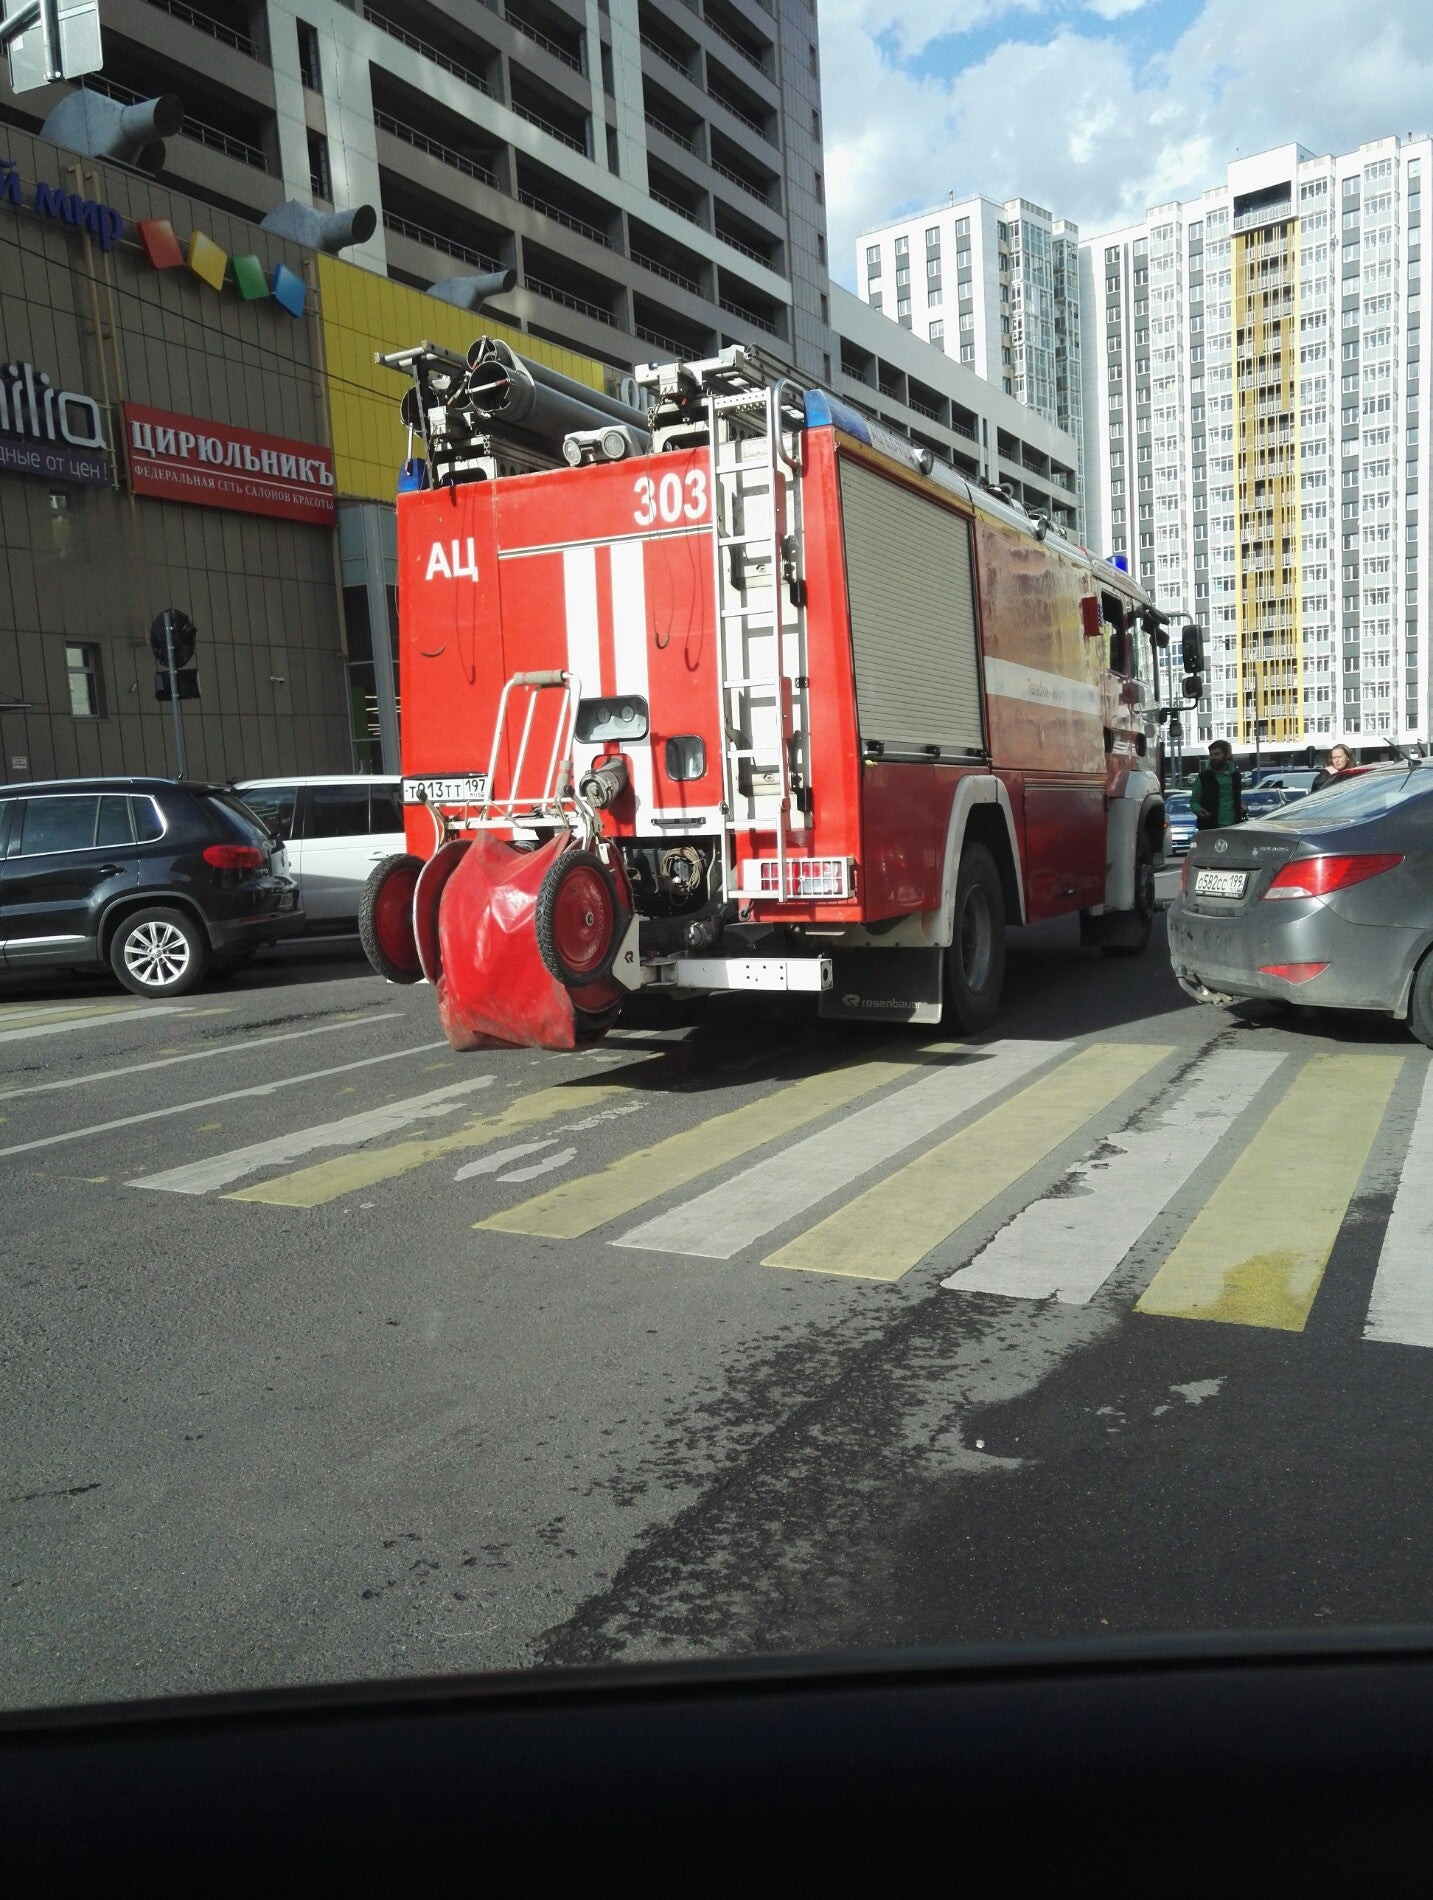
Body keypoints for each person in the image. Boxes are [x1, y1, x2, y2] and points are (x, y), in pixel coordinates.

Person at [1189, 740, 1245, 832]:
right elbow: (1194, 801)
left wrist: (1242, 806)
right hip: (1210, 828)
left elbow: (1236, 799)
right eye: (1211, 754)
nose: (1213, 757)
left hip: (1234, 827)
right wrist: (1199, 810)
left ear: (1227, 755)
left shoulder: (1235, 776)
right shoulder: (1203, 777)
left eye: (1217, 754)